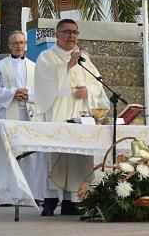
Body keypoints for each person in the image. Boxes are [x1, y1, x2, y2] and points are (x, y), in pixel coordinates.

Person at [33, 19, 108, 216]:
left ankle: (72, 201)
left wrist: (88, 92)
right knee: (54, 156)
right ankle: (49, 200)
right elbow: (44, 86)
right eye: (66, 32)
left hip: (79, 116)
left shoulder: (84, 59)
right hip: (57, 114)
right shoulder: (47, 57)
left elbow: (97, 83)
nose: (71, 36)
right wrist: (67, 66)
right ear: (57, 34)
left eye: (75, 32)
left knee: (77, 157)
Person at [0, 30, 43, 201]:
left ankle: (31, 194)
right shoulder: (0, 66)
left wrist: (29, 95)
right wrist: (12, 93)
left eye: (22, 43)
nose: (19, 46)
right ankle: (8, 195)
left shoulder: (34, 67)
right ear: (9, 45)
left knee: (30, 154)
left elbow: (44, 90)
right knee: (8, 153)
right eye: (15, 43)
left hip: (29, 115)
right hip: (8, 113)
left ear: (26, 45)